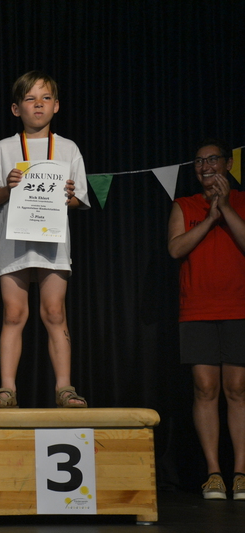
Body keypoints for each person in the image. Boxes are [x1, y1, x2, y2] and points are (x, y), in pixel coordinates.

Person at [0, 71, 90, 408]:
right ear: (17, 109)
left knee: (55, 312)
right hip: (14, 241)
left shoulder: (68, 148)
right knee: (13, 314)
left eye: (45, 98)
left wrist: (68, 195)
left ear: (56, 106)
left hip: (53, 241)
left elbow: (79, 199)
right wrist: (8, 186)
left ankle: (65, 388)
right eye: (30, 99)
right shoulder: (5, 148)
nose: (38, 104)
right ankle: (7, 389)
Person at [167, 138, 245, 500]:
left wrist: (225, 208)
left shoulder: (241, 201)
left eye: (212, 159)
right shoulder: (184, 205)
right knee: (204, 388)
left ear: (228, 163)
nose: (206, 166)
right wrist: (211, 217)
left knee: (237, 389)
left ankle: (241, 473)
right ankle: (214, 473)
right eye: (199, 162)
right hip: (197, 308)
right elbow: (175, 248)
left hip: (238, 307)